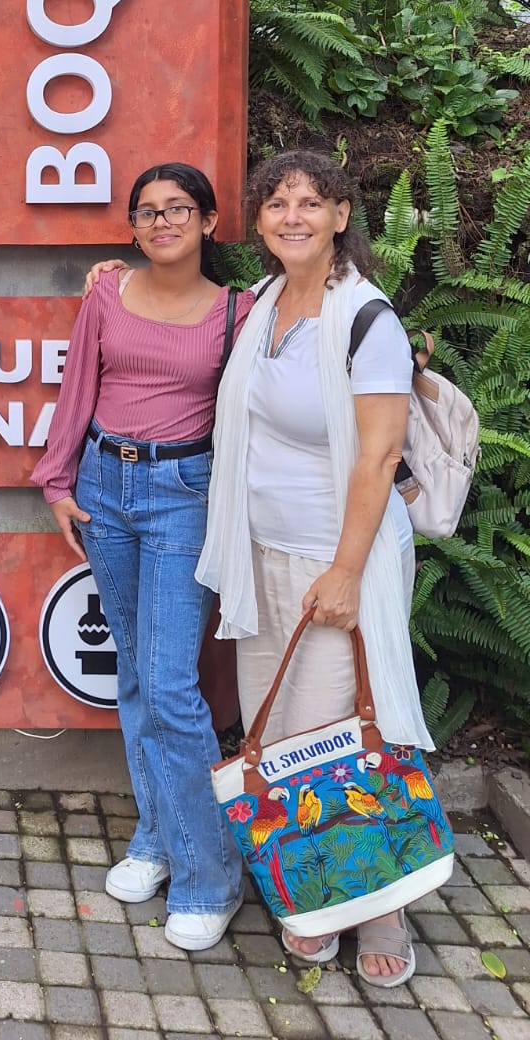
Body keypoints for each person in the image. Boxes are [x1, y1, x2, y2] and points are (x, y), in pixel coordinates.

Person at [197, 149, 432, 987]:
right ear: (258, 223)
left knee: (342, 737)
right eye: (276, 203)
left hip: (341, 557)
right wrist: (113, 277)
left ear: (341, 217)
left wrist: (344, 570)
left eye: (311, 202)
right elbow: (187, 309)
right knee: (283, 732)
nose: (291, 215)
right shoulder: (263, 304)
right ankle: (317, 888)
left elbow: (378, 460)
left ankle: (382, 905)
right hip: (261, 553)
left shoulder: (368, 320)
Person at [32, 163, 250, 952]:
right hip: (103, 485)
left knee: (168, 686)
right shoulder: (105, 294)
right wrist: (57, 479)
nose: (163, 222)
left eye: (179, 209)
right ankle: (158, 838)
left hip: (181, 494)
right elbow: (75, 389)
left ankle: (209, 876)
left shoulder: (240, 312)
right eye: (147, 212)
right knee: (133, 674)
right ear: (131, 227)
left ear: (210, 222)